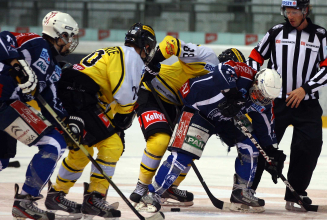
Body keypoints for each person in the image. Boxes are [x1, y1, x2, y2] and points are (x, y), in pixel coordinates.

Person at [138, 50, 286, 213]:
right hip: (196, 110)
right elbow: (222, 70)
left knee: (251, 146)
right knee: (183, 153)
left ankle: (241, 191)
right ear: (257, 81)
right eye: (258, 93)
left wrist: (270, 150)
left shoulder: (264, 101)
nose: (259, 99)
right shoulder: (245, 73)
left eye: (265, 98)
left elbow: (265, 124)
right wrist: (232, 94)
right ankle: (153, 193)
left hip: (226, 117)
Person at [45, 22, 157, 219]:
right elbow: (123, 94)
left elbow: (109, 93)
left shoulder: (115, 51)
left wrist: (116, 121)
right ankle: (94, 198)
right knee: (112, 144)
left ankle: (56, 195)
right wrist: (121, 121)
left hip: (70, 92)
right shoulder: (131, 57)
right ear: (146, 46)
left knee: (81, 151)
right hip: (79, 95)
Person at [247, 0, 327, 212]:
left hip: (307, 103)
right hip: (275, 103)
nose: (290, 15)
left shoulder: (320, 35)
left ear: (305, 10)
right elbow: (255, 56)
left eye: (294, 11)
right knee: (262, 146)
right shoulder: (275, 32)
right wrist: (256, 78)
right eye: (287, 11)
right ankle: (246, 191)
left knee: (309, 147)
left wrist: (305, 89)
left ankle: (296, 194)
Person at [0, 11, 79, 220]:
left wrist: (65, 124)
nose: (71, 42)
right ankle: (25, 201)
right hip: (4, 102)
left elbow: (51, 102)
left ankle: (25, 203)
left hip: (9, 108)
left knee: (3, 159)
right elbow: (3, 37)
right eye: (69, 36)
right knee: (53, 143)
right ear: (59, 33)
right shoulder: (35, 42)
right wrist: (15, 64)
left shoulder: (53, 68)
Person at [129, 35, 221, 210]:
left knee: (189, 148)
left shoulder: (228, 89)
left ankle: (168, 188)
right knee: (160, 140)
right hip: (153, 92)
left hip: (178, 106)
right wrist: (152, 64)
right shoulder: (207, 56)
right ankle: (142, 187)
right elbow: (171, 43)